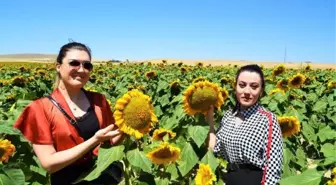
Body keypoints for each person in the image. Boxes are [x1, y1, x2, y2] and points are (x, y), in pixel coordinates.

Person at [13, 42, 124, 185]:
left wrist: (129, 126)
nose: (82, 69)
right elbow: (49, 164)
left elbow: (112, 141)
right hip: (66, 180)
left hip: (100, 175)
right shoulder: (39, 109)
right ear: (58, 67)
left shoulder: (99, 100)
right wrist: (94, 140)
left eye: (87, 65)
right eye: (74, 63)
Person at [207, 64, 283, 185]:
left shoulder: (267, 119)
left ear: (261, 91)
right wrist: (210, 121)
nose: (247, 91)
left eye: (254, 87)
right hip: (231, 178)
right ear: (235, 87)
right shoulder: (228, 116)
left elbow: (273, 167)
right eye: (242, 85)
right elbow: (215, 149)